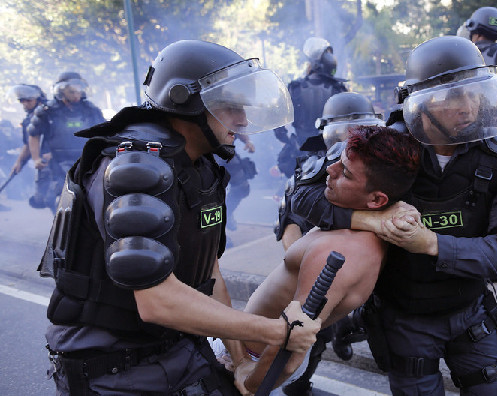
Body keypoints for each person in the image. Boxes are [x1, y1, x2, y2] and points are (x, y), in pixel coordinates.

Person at [39, 39, 321, 396]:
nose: (244, 119)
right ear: (185, 100)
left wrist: (240, 360)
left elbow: (209, 274)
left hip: (177, 348)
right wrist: (272, 331)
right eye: (231, 105)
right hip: (112, 365)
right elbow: (156, 299)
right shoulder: (135, 166)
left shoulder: (199, 166)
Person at [290, 36, 497, 395]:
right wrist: (370, 220)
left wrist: (431, 243)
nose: (468, 107)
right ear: (418, 103)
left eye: (474, 93)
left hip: (470, 311)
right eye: (452, 96)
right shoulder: (385, 147)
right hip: (405, 317)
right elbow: (303, 195)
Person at [234, 126, 421, 394]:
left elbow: (290, 350)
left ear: (377, 199)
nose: (330, 170)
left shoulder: (338, 253)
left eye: (345, 173)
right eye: (339, 161)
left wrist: (249, 384)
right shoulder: (365, 225)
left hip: (256, 360)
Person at [273, 92, 386, 396]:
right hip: (323, 273)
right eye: (341, 134)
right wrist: (308, 277)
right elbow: (289, 228)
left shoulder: (382, 169)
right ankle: (300, 382)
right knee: (309, 342)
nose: (349, 143)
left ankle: (350, 330)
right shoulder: (310, 173)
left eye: (359, 133)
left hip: (372, 271)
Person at [27, 71, 105, 212]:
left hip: (86, 160)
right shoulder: (47, 111)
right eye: (72, 92)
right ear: (62, 91)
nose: (76, 95)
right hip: (55, 162)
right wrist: (36, 158)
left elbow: (104, 131)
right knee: (57, 201)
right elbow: (34, 135)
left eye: (78, 91)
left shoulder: (90, 110)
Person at [274, 37, 347, 178]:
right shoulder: (338, 88)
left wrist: (289, 142)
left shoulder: (294, 88)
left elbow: (278, 125)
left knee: (296, 190)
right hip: (332, 154)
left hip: (301, 152)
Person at [6, 84, 47, 207]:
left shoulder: (50, 114)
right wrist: (19, 162)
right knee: (42, 199)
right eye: (22, 101)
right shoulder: (29, 119)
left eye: (28, 100)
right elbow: (28, 145)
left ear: (39, 100)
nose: (25, 103)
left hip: (58, 160)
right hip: (43, 163)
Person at [216, 133, 257, 233]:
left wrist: (248, 141)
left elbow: (238, 127)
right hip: (205, 153)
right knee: (209, 191)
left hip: (227, 152)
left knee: (242, 188)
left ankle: (226, 214)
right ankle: (216, 231)